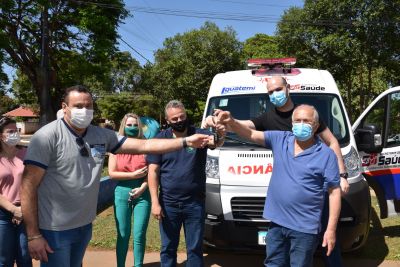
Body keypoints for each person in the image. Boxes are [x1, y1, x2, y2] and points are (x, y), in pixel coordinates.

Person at [20, 85, 209, 267]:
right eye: (78, 106)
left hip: (84, 225)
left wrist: (185, 142)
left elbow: (144, 146)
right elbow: (28, 185)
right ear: (65, 107)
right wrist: (33, 234)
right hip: (55, 228)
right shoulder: (46, 136)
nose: (84, 110)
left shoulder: (101, 135)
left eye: (89, 106)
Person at [204, 76, 348, 266]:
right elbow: (249, 130)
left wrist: (342, 174)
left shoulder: (323, 152)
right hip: (278, 221)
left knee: (321, 249)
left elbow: (333, 145)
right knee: (274, 262)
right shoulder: (279, 134)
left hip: (307, 218)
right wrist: (228, 120)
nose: (300, 124)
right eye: (297, 121)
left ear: (315, 125)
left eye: (305, 121)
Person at [147, 100, 224, 267]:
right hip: (168, 203)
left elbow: (215, 142)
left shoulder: (199, 134)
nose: (179, 121)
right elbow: (152, 171)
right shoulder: (160, 140)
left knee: (195, 248)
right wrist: (154, 202)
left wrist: (219, 131)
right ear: (167, 120)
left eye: (182, 116)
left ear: (186, 115)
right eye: (174, 119)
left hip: (194, 203)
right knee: (168, 247)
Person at [108, 113, 151, 267]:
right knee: (123, 234)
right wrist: (132, 174)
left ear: (139, 126)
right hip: (121, 192)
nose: (132, 128)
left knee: (139, 235)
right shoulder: (115, 145)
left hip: (143, 193)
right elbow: (112, 173)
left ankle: (138, 265)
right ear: (123, 126)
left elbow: (152, 171)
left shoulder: (146, 144)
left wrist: (143, 187)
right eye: (129, 125)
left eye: (135, 125)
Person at [0, 117, 32, 267]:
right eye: (10, 131)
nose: (15, 134)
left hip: (25, 210)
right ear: (1, 135)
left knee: (25, 256)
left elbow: (33, 182)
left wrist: (22, 210)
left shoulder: (26, 153)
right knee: (4, 259)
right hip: (3, 214)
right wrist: (14, 210)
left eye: (17, 130)